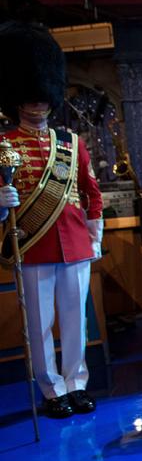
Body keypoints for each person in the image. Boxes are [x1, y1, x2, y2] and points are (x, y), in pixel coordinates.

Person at [0, 21, 103, 419]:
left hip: (74, 241)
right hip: (31, 242)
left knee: (76, 320)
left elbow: (90, 192)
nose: (38, 103)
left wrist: (94, 236)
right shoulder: (5, 146)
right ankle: (51, 388)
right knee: (40, 326)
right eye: (29, 96)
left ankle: (76, 383)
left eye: (43, 96)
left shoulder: (71, 143)